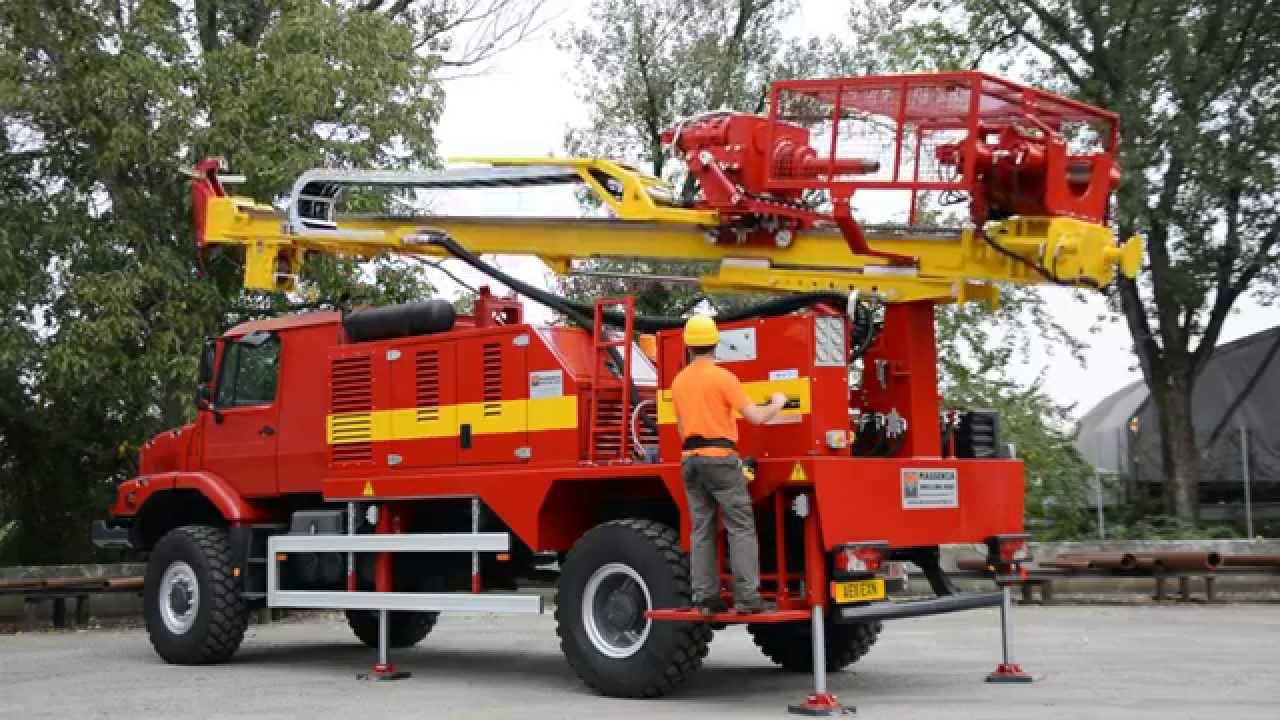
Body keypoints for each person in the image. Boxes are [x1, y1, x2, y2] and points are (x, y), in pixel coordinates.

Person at [671, 315, 787, 615]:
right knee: (740, 526)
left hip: (690, 461)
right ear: (715, 342)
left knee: (702, 529)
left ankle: (705, 598)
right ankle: (747, 598)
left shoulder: (679, 381)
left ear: (688, 345)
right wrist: (778, 400)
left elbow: (682, 430)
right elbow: (756, 417)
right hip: (720, 460)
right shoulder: (723, 378)